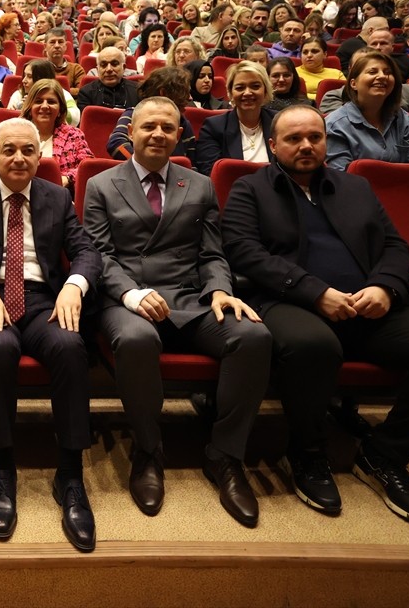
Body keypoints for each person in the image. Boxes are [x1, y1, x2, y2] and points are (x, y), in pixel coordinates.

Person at [222, 104, 409, 525]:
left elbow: (395, 246)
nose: (306, 145)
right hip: (287, 303)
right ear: (273, 145)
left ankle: (384, 453)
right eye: (294, 139)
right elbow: (245, 253)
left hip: (366, 308)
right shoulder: (249, 189)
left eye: (315, 136)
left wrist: (385, 287)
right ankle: (308, 454)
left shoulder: (357, 188)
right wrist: (316, 293)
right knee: (315, 345)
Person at [84, 96, 270, 526]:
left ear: (180, 135)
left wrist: (221, 290)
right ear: (130, 133)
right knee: (135, 338)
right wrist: (131, 294)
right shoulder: (101, 184)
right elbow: (97, 254)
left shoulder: (200, 184)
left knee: (253, 336)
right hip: (125, 298)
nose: (158, 134)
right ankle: (148, 451)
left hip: (188, 297)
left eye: (168, 128)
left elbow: (212, 253)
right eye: (149, 126)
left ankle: (225, 456)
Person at [0, 117, 102, 551]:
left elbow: (85, 251)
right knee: (0, 349)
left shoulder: (57, 196)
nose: (19, 158)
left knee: (70, 346)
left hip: (44, 298)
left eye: (28, 150)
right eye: (9, 150)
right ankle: (3, 466)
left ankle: (70, 473)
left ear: (39, 155)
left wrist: (73, 285)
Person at [325, 52, 409, 171]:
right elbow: (341, 178)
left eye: (387, 72)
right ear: (353, 84)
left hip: (402, 188)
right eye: (372, 72)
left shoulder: (403, 118)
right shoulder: (335, 124)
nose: (382, 76)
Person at [196, 61, 276, 175]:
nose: (247, 93)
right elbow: (212, 174)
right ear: (230, 93)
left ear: (265, 90)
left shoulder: (280, 122)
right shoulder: (214, 127)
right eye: (240, 88)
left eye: (255, 86)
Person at [20, 78, 90, 189]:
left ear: (60, 109)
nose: (44, 106)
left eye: (51, 102)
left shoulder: (73, 135)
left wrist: (67, 178)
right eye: (38, 101)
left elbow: (88, 167)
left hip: (61, 196)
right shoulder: (16, 133)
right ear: (30, 107)